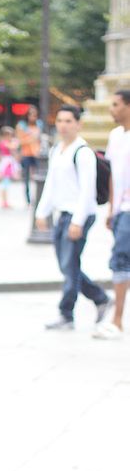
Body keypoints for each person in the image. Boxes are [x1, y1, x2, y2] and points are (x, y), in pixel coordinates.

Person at [35, 105, 111, 330]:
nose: (63, 125)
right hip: (63, 214)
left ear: (78, 124)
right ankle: (100, 298)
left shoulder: (83, 152)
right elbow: (51, 183)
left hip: (79, 216)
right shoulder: (57, 149)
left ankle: (66, 313)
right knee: (67, 266)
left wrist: (78, 222)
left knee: (69, 266)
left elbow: (87, 190)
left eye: (69, 121)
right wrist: (42, 211)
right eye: (60, 120)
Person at [93, 90, 130, 340]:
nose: (111, 109)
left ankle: (117, 320)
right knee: (120, 260)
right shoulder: (115, 136)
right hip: (121, 209)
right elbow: (114, 175)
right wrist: (111, 209)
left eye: (116, 104)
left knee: (120, 259)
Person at [16, 105, 42, 205]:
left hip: (36, 153)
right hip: (26, 154)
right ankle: (28, 200)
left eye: (35, 115)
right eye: (31, 115)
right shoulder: (22, 125)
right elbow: (20, 141)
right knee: (26, 178)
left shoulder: (39, 125)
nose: (33, 117)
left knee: (39, 177)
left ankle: (38, 198)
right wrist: (31, 139)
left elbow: (39, 139)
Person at [0, 126, 20, 209]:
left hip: (8, 163)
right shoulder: (4, 143)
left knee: (6, 184)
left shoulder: (5, 142)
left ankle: (5, 201)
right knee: (4, 184)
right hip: (6, 164)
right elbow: (13, 147)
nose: (10, 137)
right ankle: (4, 202)